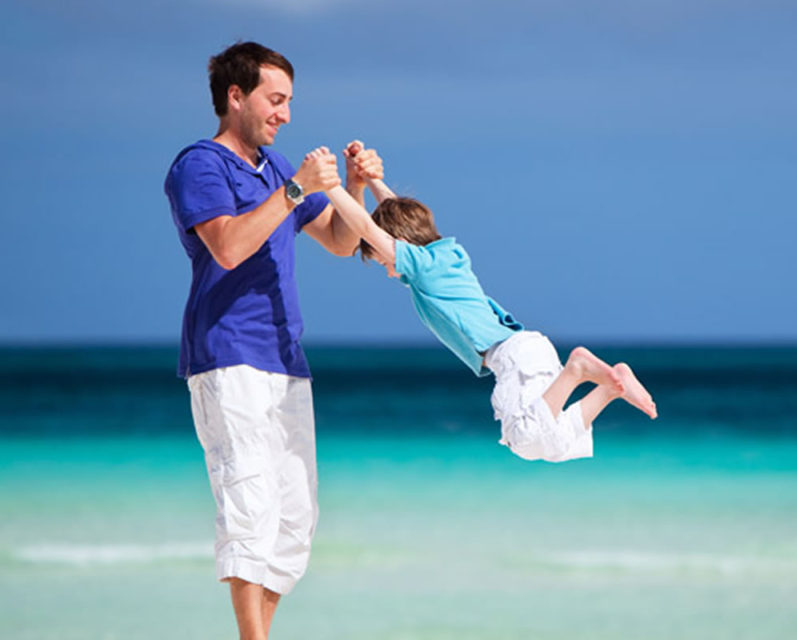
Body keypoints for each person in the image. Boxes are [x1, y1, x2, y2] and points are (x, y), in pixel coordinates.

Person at [163, 42, 381, 640]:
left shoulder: (279, 169)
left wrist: (353, 187)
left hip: (286, 360)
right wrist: (292, 190)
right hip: (227, 355)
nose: (285, 114)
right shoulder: (199, 165)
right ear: (237, 97)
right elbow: (229, 247)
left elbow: (338, 241)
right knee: (250, 512)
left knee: (293, 525)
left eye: (288, 102)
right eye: (275, 99)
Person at [319, 144, 657, 462]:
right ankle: (612, 387)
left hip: (511, 357)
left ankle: (578, 370)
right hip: (530, 349)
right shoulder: (445, 253)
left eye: (384, 262)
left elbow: (367, 226)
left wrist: (329, 185)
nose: (391, 273)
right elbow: (396, 216)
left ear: (400, 245)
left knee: (524, 439)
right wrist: (374, 180)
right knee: (555, 445)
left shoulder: (421, 267)